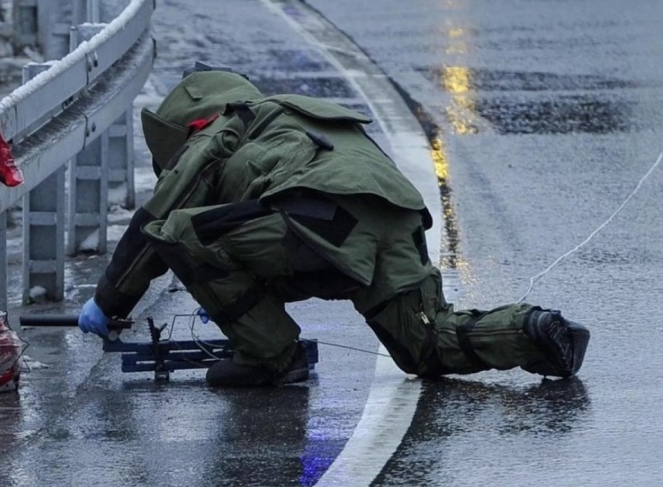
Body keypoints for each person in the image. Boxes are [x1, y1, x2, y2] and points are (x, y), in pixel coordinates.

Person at [77, 62, 590, 387]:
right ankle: (530, 330)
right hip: (393, 216)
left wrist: (108, 302)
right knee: (425, 346)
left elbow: (156, 221)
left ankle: (271, 357)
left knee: (178, 233)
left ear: (192, 124)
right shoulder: (296, 116)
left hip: (320, 222)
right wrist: (234, 294)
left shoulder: (222, 128)